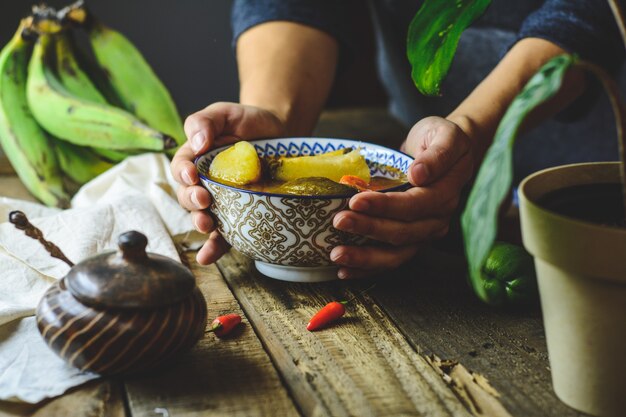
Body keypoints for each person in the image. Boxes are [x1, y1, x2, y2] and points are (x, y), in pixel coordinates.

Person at [170, 0, 624, 279]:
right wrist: (275, 116)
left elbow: (588, 13)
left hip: (599, 184)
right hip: (427, 150)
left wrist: (473, 127)